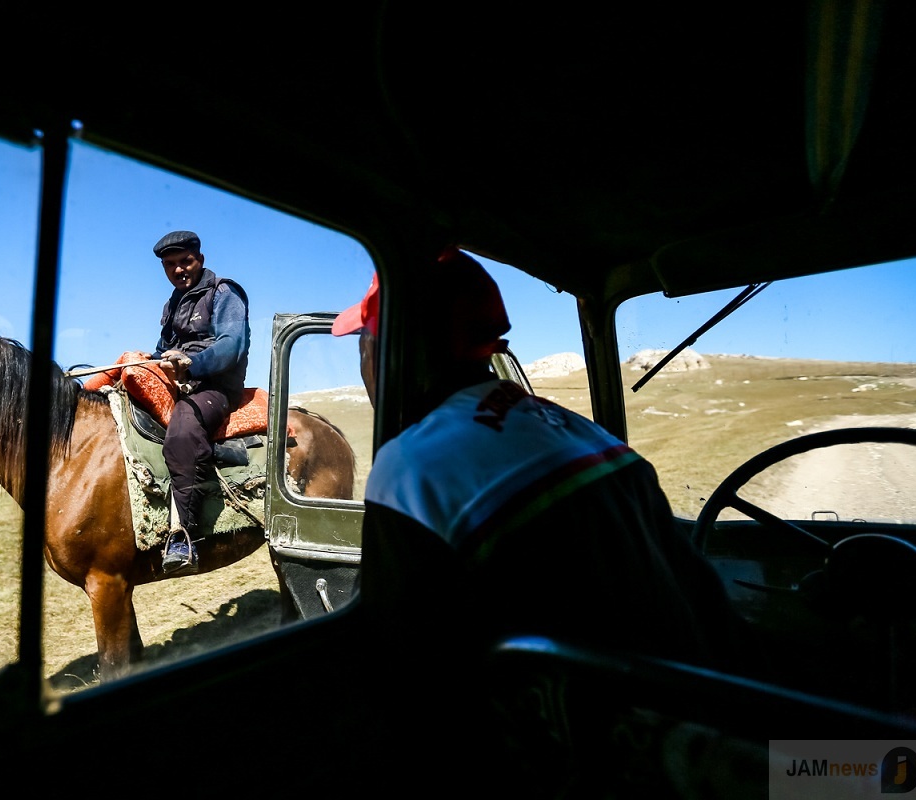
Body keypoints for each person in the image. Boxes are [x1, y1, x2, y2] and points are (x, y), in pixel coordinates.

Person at [331, 247, 764, 671]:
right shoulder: (581, 429)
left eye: (364, 345)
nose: (364, 362)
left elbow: (402, 658)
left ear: (398, 351)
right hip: (708, 698)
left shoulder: (412, 464)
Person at [137, 230, 251, 573]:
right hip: (181, 384)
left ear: (199, 259)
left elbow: (233, 345)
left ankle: (181, 535)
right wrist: (149, 361)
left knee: (183, 429)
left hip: (215, 388)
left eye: (185, 261)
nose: (179, 270)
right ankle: (210, 453)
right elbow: (162, 349)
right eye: (170, 265)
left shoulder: (225, 293)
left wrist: (192, 365)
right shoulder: (172, 304)